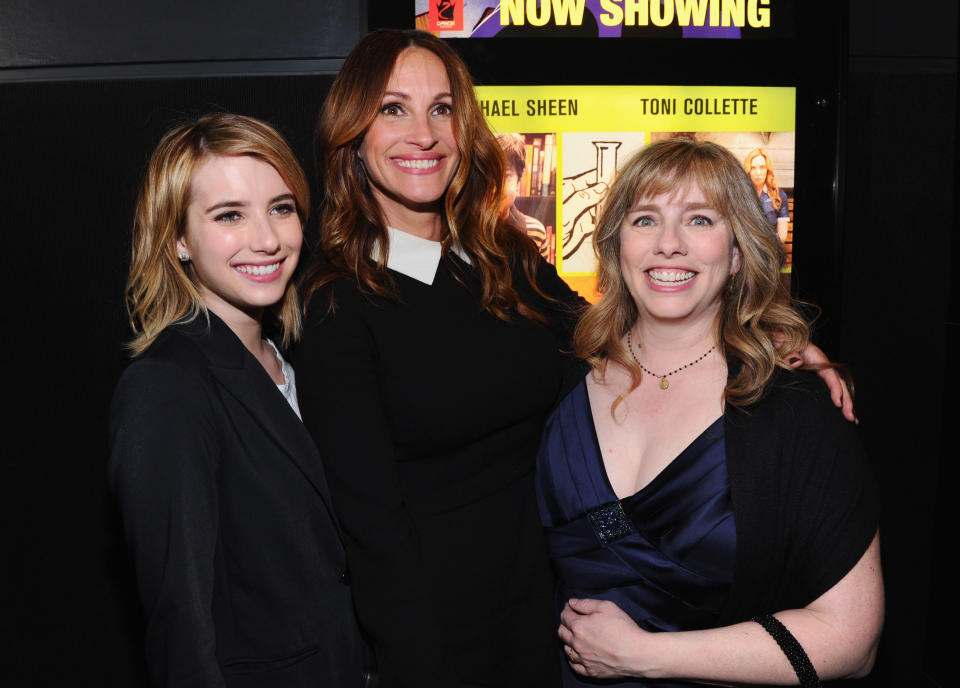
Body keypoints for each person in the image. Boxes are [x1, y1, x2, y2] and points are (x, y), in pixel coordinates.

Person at [293, 29, 853, 688]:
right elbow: (373, 534)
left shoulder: (503, 258)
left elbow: (619, 335)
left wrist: (768, 335)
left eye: (442, 108)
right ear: (351, 134)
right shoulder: (336, 306)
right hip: (442, 632)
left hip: (559, 610)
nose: (424, 132)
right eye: (393, 109)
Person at [535, 139, 883, 687]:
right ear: (616, 246)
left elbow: (852, 640)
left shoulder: (795, 412)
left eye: (699, 220)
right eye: (645, 219)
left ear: (738, 251)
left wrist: (643, 655)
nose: (668, 244)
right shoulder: (557, 382)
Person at [108, 113, 366, 687]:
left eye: (281, 208)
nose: (268, 240)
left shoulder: (290, 359)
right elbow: (180, 621)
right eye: (229, 216)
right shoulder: (167, 386)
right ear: (177, 238)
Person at [496, 132, 551, 258]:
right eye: (489, 175)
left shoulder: (535, 232)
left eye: (506, 176)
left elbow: (541, 278)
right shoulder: (464, 231)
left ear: (518, 181)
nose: (496, 187)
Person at [744, 147, 790, 242]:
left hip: (770, 249)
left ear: (767, 170)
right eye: (753, 168)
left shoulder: (779, 196)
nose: (758, 173)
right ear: (748, 171)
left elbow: (782, 237)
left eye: (762, 167)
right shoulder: (740, 195)